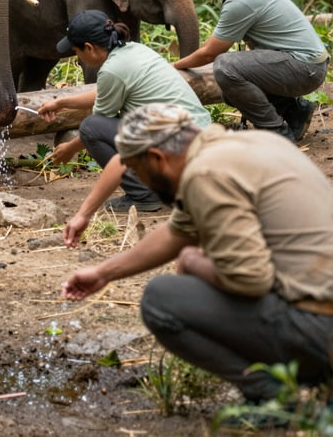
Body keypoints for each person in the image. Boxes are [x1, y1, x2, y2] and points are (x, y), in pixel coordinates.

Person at [61, 102, 333, 411]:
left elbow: (250, 279)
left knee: (162, 299)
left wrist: (193, 263)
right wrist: (103, 273)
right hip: (320, 314)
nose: (141, 181)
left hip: (318, 330)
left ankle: (273, 397)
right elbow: (177, 232)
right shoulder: (254, 143)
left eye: (137, 170)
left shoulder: (205, 174)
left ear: (157, 158)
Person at [37, 10, 211, 228]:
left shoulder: (112, 70)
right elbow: (105, 92)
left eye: (76, 51)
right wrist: (62, 103)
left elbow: (95, 126)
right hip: (199, 136)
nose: (78, 56)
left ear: (89, 48)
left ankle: (142, 195)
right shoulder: (134, 51)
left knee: (90, 127)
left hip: (178, 147)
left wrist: (70, 149)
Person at [174, 0, 329, 142]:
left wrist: (173, 67)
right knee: (230, 90)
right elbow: (213, 46)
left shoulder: (241, 0)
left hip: (306, 69)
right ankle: (295, 112)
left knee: (225, 67)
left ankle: (276, 133)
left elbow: (210, 53)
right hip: (307, 63)